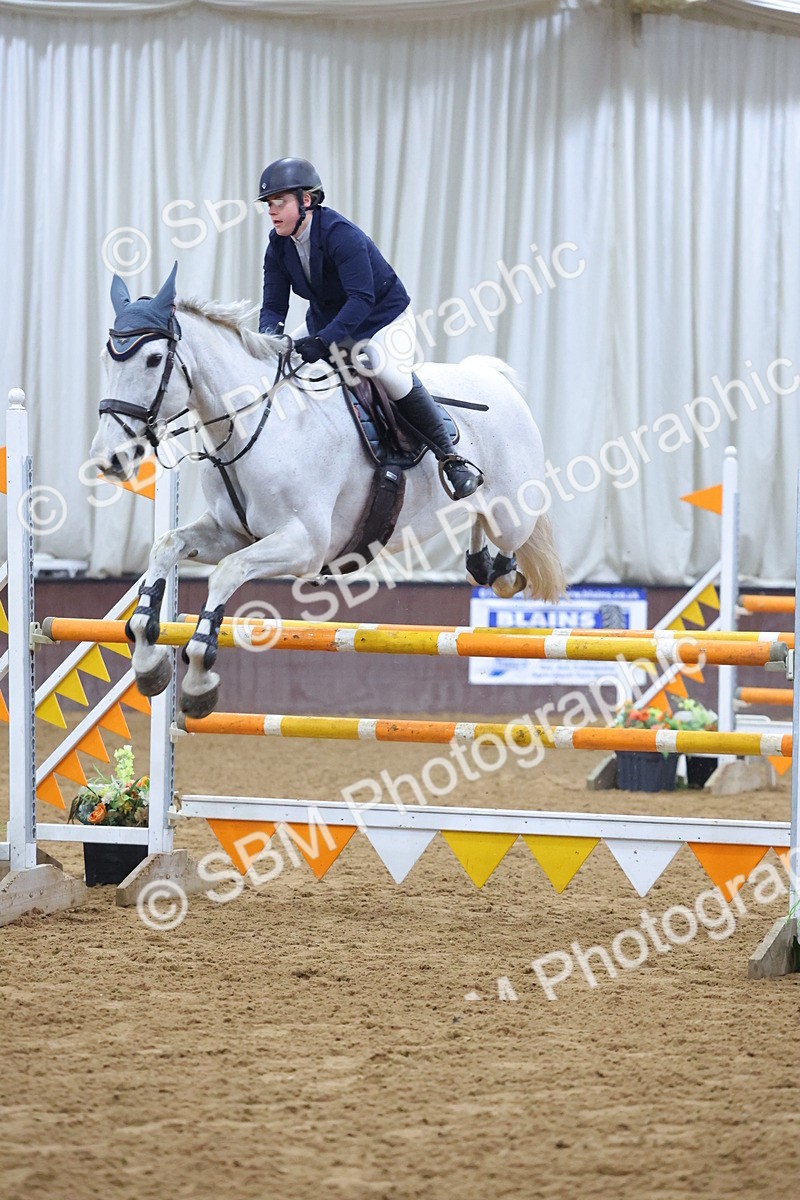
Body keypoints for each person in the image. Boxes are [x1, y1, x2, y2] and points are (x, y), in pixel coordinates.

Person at [257, 157, 482, 499]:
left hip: (381, 318)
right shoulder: (278, 246)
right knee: (279, 365)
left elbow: (361, 299)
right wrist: (269, 342)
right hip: (328, 320)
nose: (272, 212)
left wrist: (323, 341)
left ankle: (452, 459)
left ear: (306, 201)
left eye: (280, 202)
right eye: (269, 205)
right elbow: (274, 306)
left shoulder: (340, 235)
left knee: (386, 370)